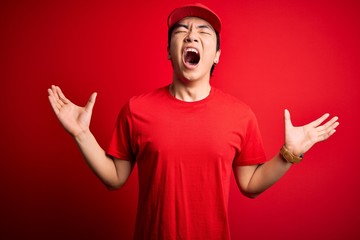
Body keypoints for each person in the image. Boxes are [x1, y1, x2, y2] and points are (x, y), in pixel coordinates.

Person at [48, 3, 339, 240]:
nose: (191, 35)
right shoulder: (136, 109)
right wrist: (82, 134)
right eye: (181, 31)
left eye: (203, 31)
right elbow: (115, 179)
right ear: (168, 51)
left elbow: (250, 184)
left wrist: (290, 154)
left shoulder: (240, 115)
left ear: (216, 56)